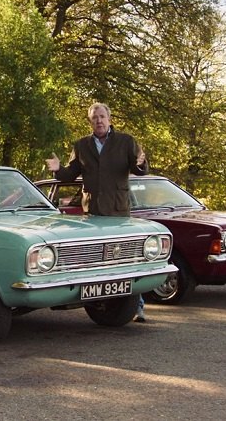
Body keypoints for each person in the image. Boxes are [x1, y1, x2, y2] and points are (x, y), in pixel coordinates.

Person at [45, 102, 150, 322]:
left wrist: (142, 163)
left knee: (125, 258)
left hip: (117, 211)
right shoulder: (82, 145)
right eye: (94, 118)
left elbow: (138, 169)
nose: (99, 121)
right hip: (92, 212)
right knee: (97, 258)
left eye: (102, 117)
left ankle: (136, 305)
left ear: (109, 119)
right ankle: (100, 302)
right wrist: (57, 170)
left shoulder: (125, 141)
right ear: (90, 122)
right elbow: (70, 174)